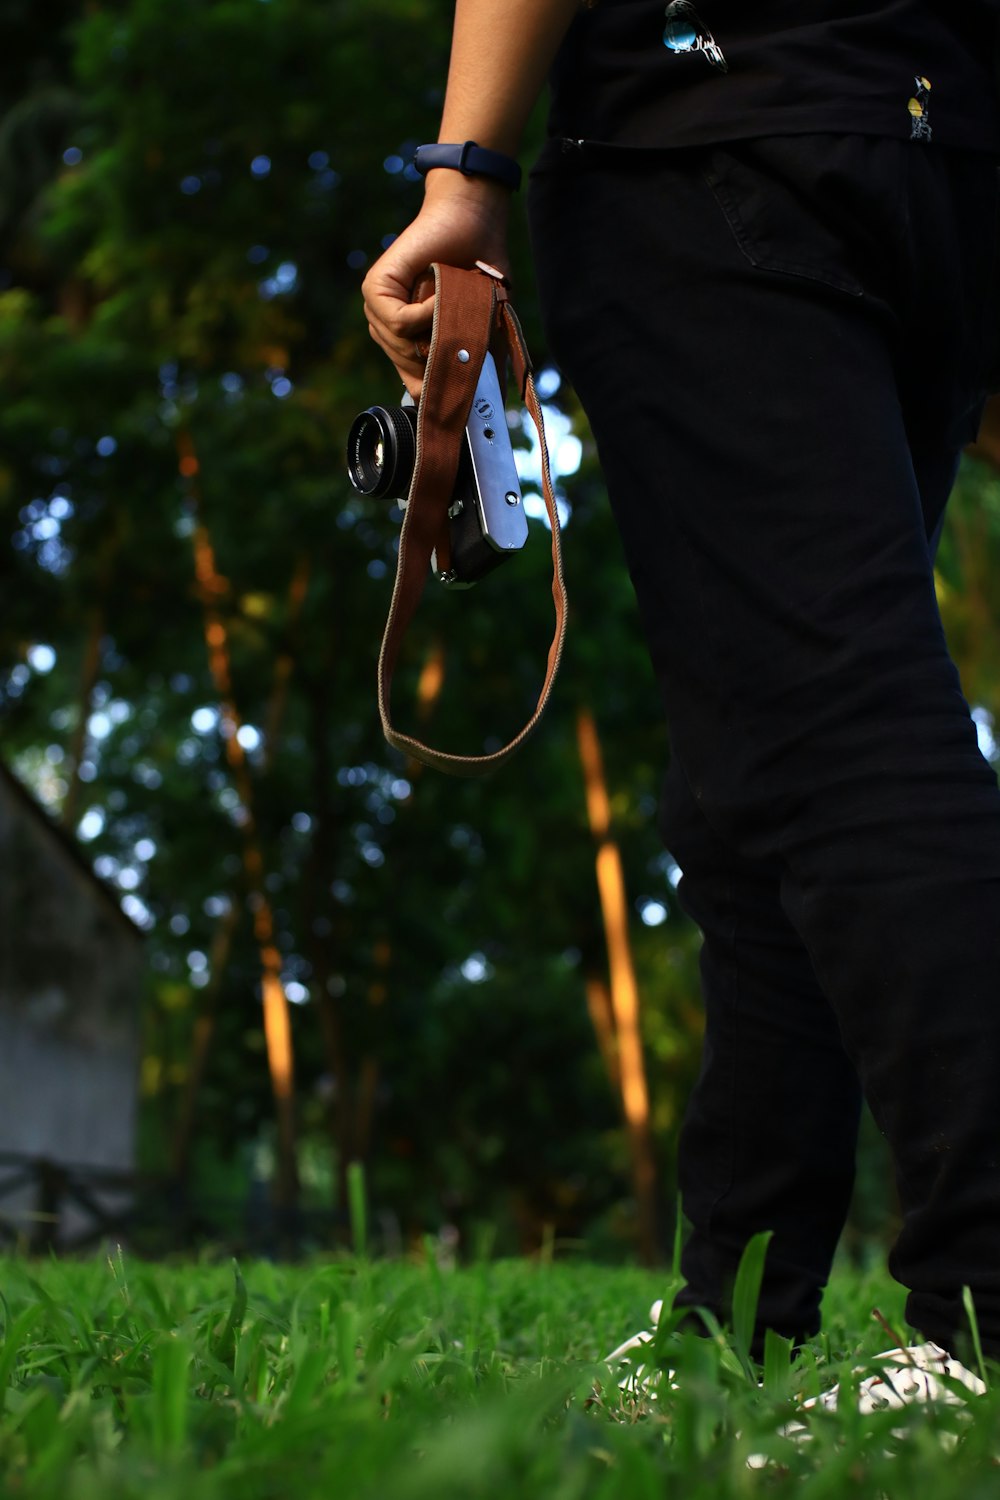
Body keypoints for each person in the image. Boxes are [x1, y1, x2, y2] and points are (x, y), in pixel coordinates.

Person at [362, 0, 1000, 1388]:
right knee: (755, 767)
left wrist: (463, 172)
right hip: (933, 147)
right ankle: (736, 1320)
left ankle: (986, 1311)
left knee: (840, 732)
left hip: (702, 131)